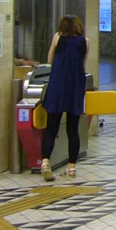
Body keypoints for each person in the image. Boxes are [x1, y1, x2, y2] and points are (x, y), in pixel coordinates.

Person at [40, 15, 89, 181]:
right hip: (74, 88)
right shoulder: (85, 42)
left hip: (57, 87)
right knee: (73, 130)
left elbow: (49, 60)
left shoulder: (57, 37)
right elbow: (83, 65)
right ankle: (71, 167)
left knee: (51, 128)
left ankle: (45, 163)